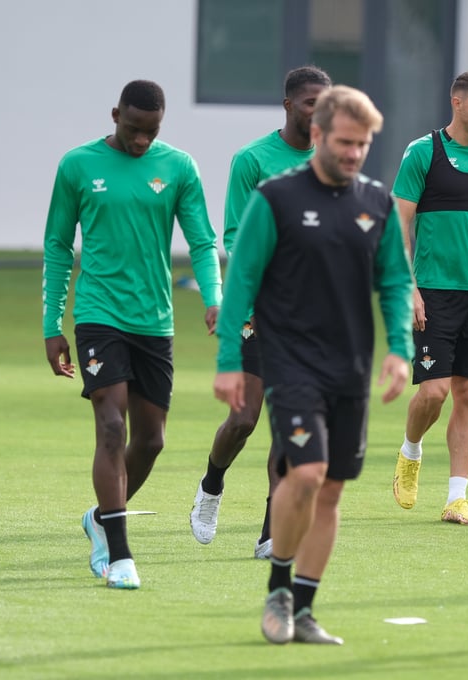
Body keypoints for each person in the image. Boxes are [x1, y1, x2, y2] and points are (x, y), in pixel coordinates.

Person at [214, 85, 414, 644]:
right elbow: (242, 281)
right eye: (345, 142)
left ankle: (302, 610)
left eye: (363, 144)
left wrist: (399, 349)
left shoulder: (376, 203)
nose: (354, 153)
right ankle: (277, 590)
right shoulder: (275, 198)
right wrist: (229, 360)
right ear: (319, 135)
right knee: (305, 472)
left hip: (350, 368)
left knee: (330, 490)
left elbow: (396, 282)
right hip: (290, 364)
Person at [43, 80, 223, 589]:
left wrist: (214, 297)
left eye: (152, 131)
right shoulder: (78, 165)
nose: (142, 140)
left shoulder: (179, 167)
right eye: (133, 129)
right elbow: (58, 245)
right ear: (115, 115)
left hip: (154, 321)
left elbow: (202, 241)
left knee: (152, 440)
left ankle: (101, 519)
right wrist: (51, 324)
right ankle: (120, 555)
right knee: (110, 426)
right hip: (98, 314)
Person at [190, 66, 332, 559]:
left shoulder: (332, 160)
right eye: (311, 102)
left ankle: (271, 532)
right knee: (245, 419)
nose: (320, 111)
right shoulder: (252, 159)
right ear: (289, 104)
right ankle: (211, 485)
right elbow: (234, 234)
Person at [390, 70, 468, 525]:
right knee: (433, 392)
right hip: (433, 292)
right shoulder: (423, 152)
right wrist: (408, 288)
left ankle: (457, 498)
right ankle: (411, 450)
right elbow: (398, 224)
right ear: (457, 103)